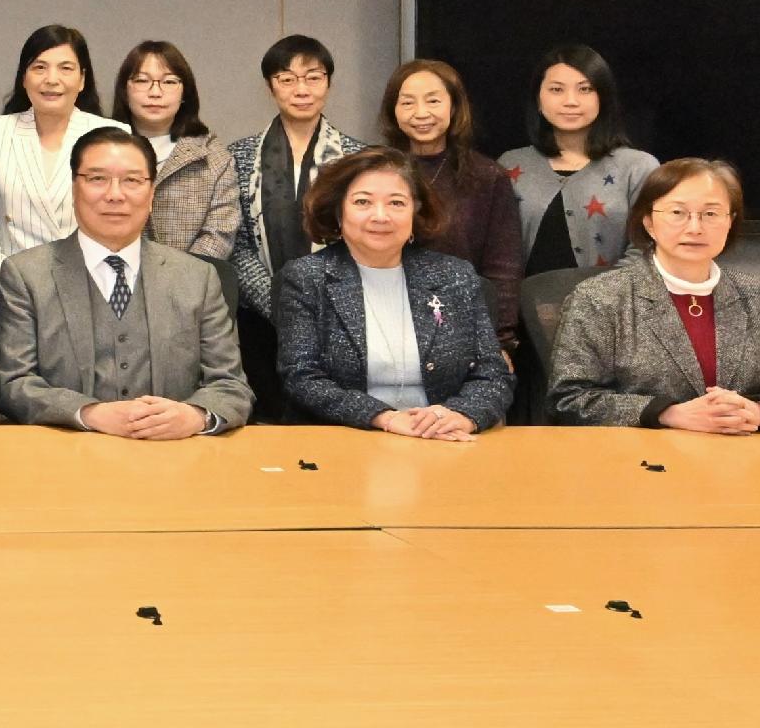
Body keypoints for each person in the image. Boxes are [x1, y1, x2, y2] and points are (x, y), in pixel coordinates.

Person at [0, 127, 249, 437]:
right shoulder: (26, 274)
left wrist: (194, 416)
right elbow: (13, 384)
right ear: (74, 189)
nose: (115, 194)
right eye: (97, 179)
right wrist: (89, 413)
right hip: (63, 459)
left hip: (171, 460)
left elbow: (231, 385)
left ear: (151, 194)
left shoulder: (196, 277)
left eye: (132, 181)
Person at [545, 158, 760, 432]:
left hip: (741, 461)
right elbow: (568, 401)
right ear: (649, 222)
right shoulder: (600, 298)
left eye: (711, 214)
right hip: (638, 463)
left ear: (730, 222)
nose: (695, 228)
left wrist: (759, 412)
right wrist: (667, 414)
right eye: (678, 213)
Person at [271, 149, 512, 438]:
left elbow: (493, 373)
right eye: (363, 202)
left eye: (397, 203)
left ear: (415, 210)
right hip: (343, 442)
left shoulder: (455, 277)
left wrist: (461, 414)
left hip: (443, 441)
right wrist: (383, 417)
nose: (380, 216)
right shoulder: (307, 279)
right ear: (338, 211)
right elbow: (301, 377)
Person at [223, 35, 364, 412]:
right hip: (258, 318)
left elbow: (363, 238)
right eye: (287, 79)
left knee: (331, 421)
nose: (301, 89)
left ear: (328, 84)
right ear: (270, 87)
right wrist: (278, 303)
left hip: (335, 315)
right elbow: (233, 240)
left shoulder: (359, 157)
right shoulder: (237, 155)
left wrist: (313, 305)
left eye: (313, 77)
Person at [0, 24, 125, 312]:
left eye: (65, 68)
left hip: (90, 302)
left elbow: (121, 226)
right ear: (24, 78)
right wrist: (9, 292)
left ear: (82, 80)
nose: (51, 79)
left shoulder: (113, 136)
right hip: (9, 300)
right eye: (39, 67)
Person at [377, 58, 523, 349]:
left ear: (454, 106)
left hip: (463, 326)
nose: (421, 113)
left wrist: (501, 341)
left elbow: (503, 268)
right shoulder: (375, 173)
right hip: (384, 320)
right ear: (393, 111)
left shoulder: (487, 176)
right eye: (407, 103)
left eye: (433, 101)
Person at [505, 44, 658, 276]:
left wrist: (595, 300)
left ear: (603, 97)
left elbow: (648, 246)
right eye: (556, 89)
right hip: (526, 306)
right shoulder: (510, 163)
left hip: (610, 306)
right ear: (538, 99)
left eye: (585, 89)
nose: (570, 101)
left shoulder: (638, 167)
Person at [115, 40, 236, 272]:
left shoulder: (211, 155)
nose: (155, 92)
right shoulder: (100, 150)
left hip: (190, 287)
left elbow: (221, 231)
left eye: (169, 82)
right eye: (142, 80)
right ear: (124, 89)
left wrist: (180, 279)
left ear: (185, 93)